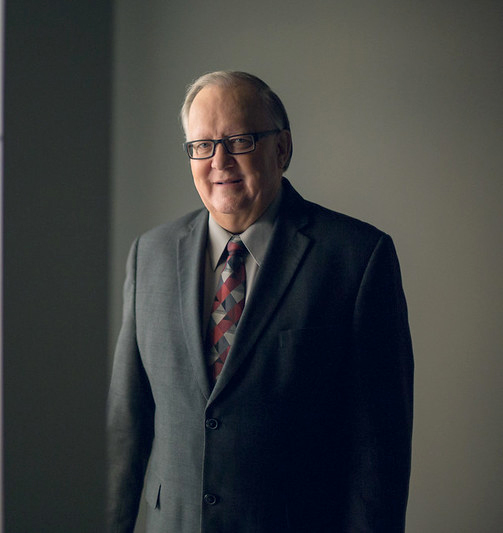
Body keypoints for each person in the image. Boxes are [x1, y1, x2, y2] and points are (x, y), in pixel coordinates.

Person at [106, 71, 413, 532]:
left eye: (240, 140)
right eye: (202, 145)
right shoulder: (148, 255)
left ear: (282, 149)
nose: (219, 160)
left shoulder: (357, 258)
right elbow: (126, 429)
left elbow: (378, 453)